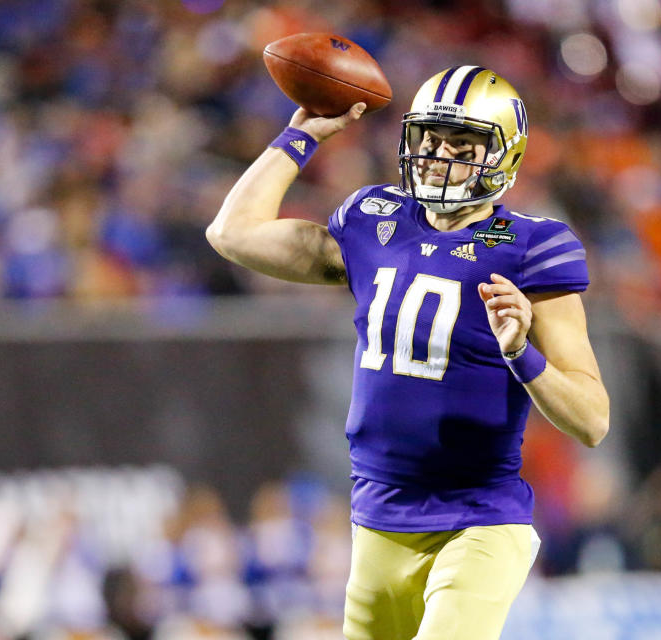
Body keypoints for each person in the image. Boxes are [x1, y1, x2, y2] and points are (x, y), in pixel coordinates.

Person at [206, 65, 610, 640]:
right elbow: (232, 233)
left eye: (463, 142)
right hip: (377, 516)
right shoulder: (374, 221)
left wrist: (522, 353)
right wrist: (301, 137)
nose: (440, 154)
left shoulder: (531, 247)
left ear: (505, 155)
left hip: (477, 519)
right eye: (431, 138)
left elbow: (593, 420)